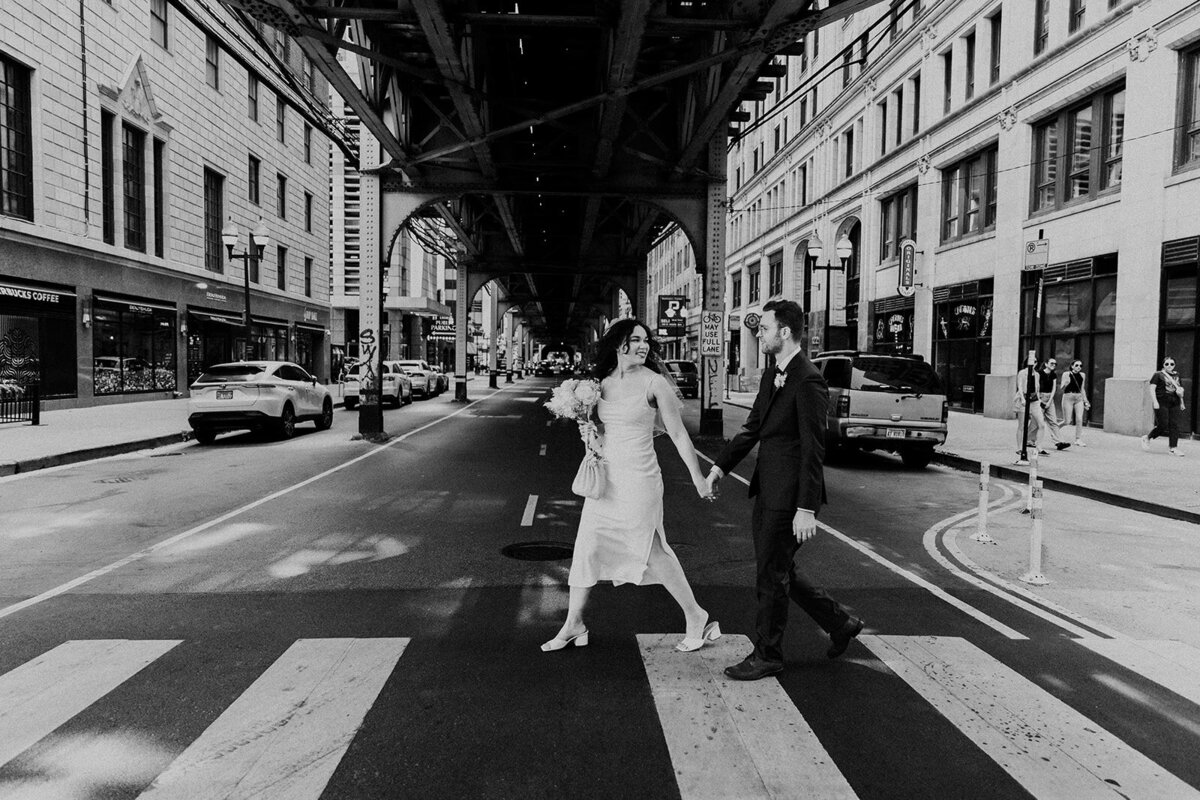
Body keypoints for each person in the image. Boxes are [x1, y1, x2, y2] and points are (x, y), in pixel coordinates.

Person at [705, 300, 862, 681]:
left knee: (770, 576)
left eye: (765, 327)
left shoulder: (808, 379)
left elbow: (813, 447)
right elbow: (752, 427)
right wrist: (719, 467)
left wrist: (806, 508)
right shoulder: (772, 374)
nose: (759, 333)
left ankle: (768, 654)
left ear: (785, 332)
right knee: (779, 569)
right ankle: (839, 622)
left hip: (790, 497)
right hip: (768, 490)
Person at [542, 319, 719, 654]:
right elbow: (607, 430)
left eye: (645, 340)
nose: (643, 345)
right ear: (618, 344)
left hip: (640, 479)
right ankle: (573, 624)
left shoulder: (655, 384)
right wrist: (592, 434)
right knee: (588, 546)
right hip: (608, 478)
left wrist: (698, 477)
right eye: (634, 340)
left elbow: (678, 434)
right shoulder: (600, 384)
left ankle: (696, 615)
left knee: (651, 550)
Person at [1141, 356, 1187, 457]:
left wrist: (1182, 402)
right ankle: (1147, 438)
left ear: (1174, 365)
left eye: (1172, 364)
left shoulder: (1177, 375)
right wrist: (1155, 401)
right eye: (1167, 364)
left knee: (1174, 425)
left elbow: (1180, 389)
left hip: (1174, 402)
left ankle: (1173, 448)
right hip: (1162, 402)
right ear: (1163, 365)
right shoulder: (1158, 375)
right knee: (1163, 424)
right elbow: (1152, 389)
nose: (1169, 366)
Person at [1012, 358, 1049, 465]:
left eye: (1036, 362)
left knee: (1041, 424)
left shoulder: (1036, 374)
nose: (1034, 364)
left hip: (1034, 401)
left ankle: (1039, 446)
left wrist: (1039, 400)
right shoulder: (1022, 373)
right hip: (1024, 399)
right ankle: (1020, 448)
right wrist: (1023, 399)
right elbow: (1019, 386)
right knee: (1022, 426)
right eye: (1032, 361)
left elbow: (1037, 388)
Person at [1038, 358, 1070, 451]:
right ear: (1046, 364)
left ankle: (1059, 442)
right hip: (1040, 397)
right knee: (1037, 422)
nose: (1054, 365)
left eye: (1055, 364)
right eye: (1052, 363)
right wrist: (1040, 401)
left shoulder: (1053, 374)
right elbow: (1036, 387)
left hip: (1049, 398)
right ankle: (1029, 440)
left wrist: (1049, 401)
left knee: (1053, 421)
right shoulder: (1039, 373)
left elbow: (1054, 389)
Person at [1059, 360, 1091, 446]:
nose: (1079, 367)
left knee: (1079, 419)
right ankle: (1055, 429)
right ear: (1072, 366)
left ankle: (1078, 439)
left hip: (1078, 398)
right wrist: (1066, 383)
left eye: (1081, 366)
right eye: (1076, 365)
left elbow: (1082, 388)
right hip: (1068, 397)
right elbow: (1061, 388)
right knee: (1067, 421)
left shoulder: (1082, 375)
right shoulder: (1066, 374)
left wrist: (1086, 400)